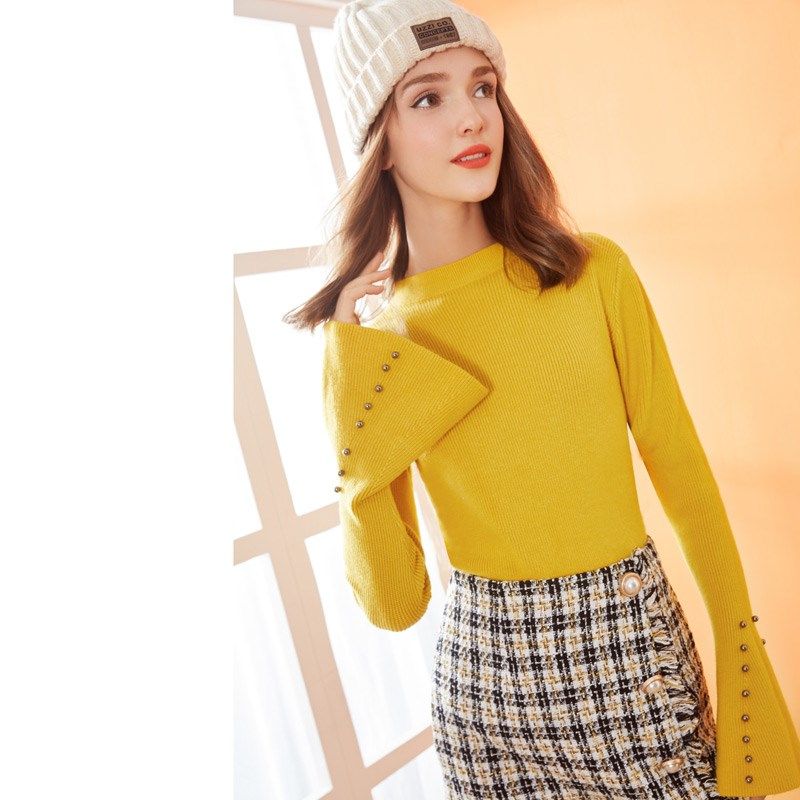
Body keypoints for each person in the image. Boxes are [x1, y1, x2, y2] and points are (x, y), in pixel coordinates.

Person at [283, 1, 800, 797]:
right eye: (428, 97)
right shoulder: (384, 342)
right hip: (483, 696)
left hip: (627, 662)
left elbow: (685, 478)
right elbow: (394, 604)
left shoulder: (592, 274)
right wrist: (351, 374)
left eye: (482, 88)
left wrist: (744, 676)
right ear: (378, 143)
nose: (470, 118)